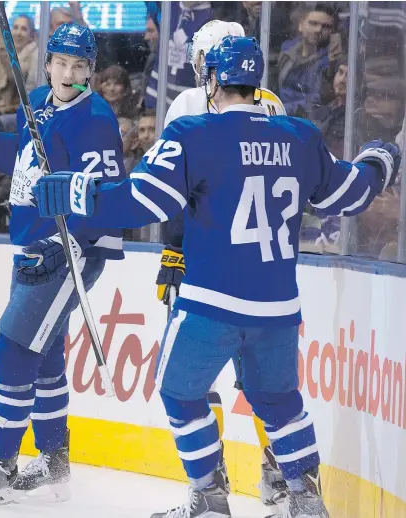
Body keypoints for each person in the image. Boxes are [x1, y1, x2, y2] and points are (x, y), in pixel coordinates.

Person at [30, 36, 401, 518]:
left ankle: (208, 498)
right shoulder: (300, 136)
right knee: (280, 401)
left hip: (212, 303)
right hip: (277, 308)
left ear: (212, 82)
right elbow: (349, 195)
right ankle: (306, 501)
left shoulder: (193, 132)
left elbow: (141, 202)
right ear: (254, 85)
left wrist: (76, 191)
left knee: (179, 392)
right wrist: (379, 162)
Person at [0, 23, 126, 506]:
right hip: (34, 243)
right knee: (43, 355)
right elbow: (22, 157)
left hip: (71, 249)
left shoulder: (96, 121)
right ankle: (54, 458)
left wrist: (70, 246)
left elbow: (107, 199)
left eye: (80, 67)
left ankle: (0, 462)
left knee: (13, 351)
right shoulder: (37, 100)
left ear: (91, 72)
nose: (69, 74)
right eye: (62, 63)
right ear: (47, 65)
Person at [161, 19, 290, 509]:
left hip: (208, 267)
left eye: (202, 61)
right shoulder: (269, 104)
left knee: (195, 379)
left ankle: (210, 487)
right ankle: (279, 476)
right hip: (264, 265)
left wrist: (173, 248)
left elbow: (169, 192)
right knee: (261, 378)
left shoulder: (191, 106)